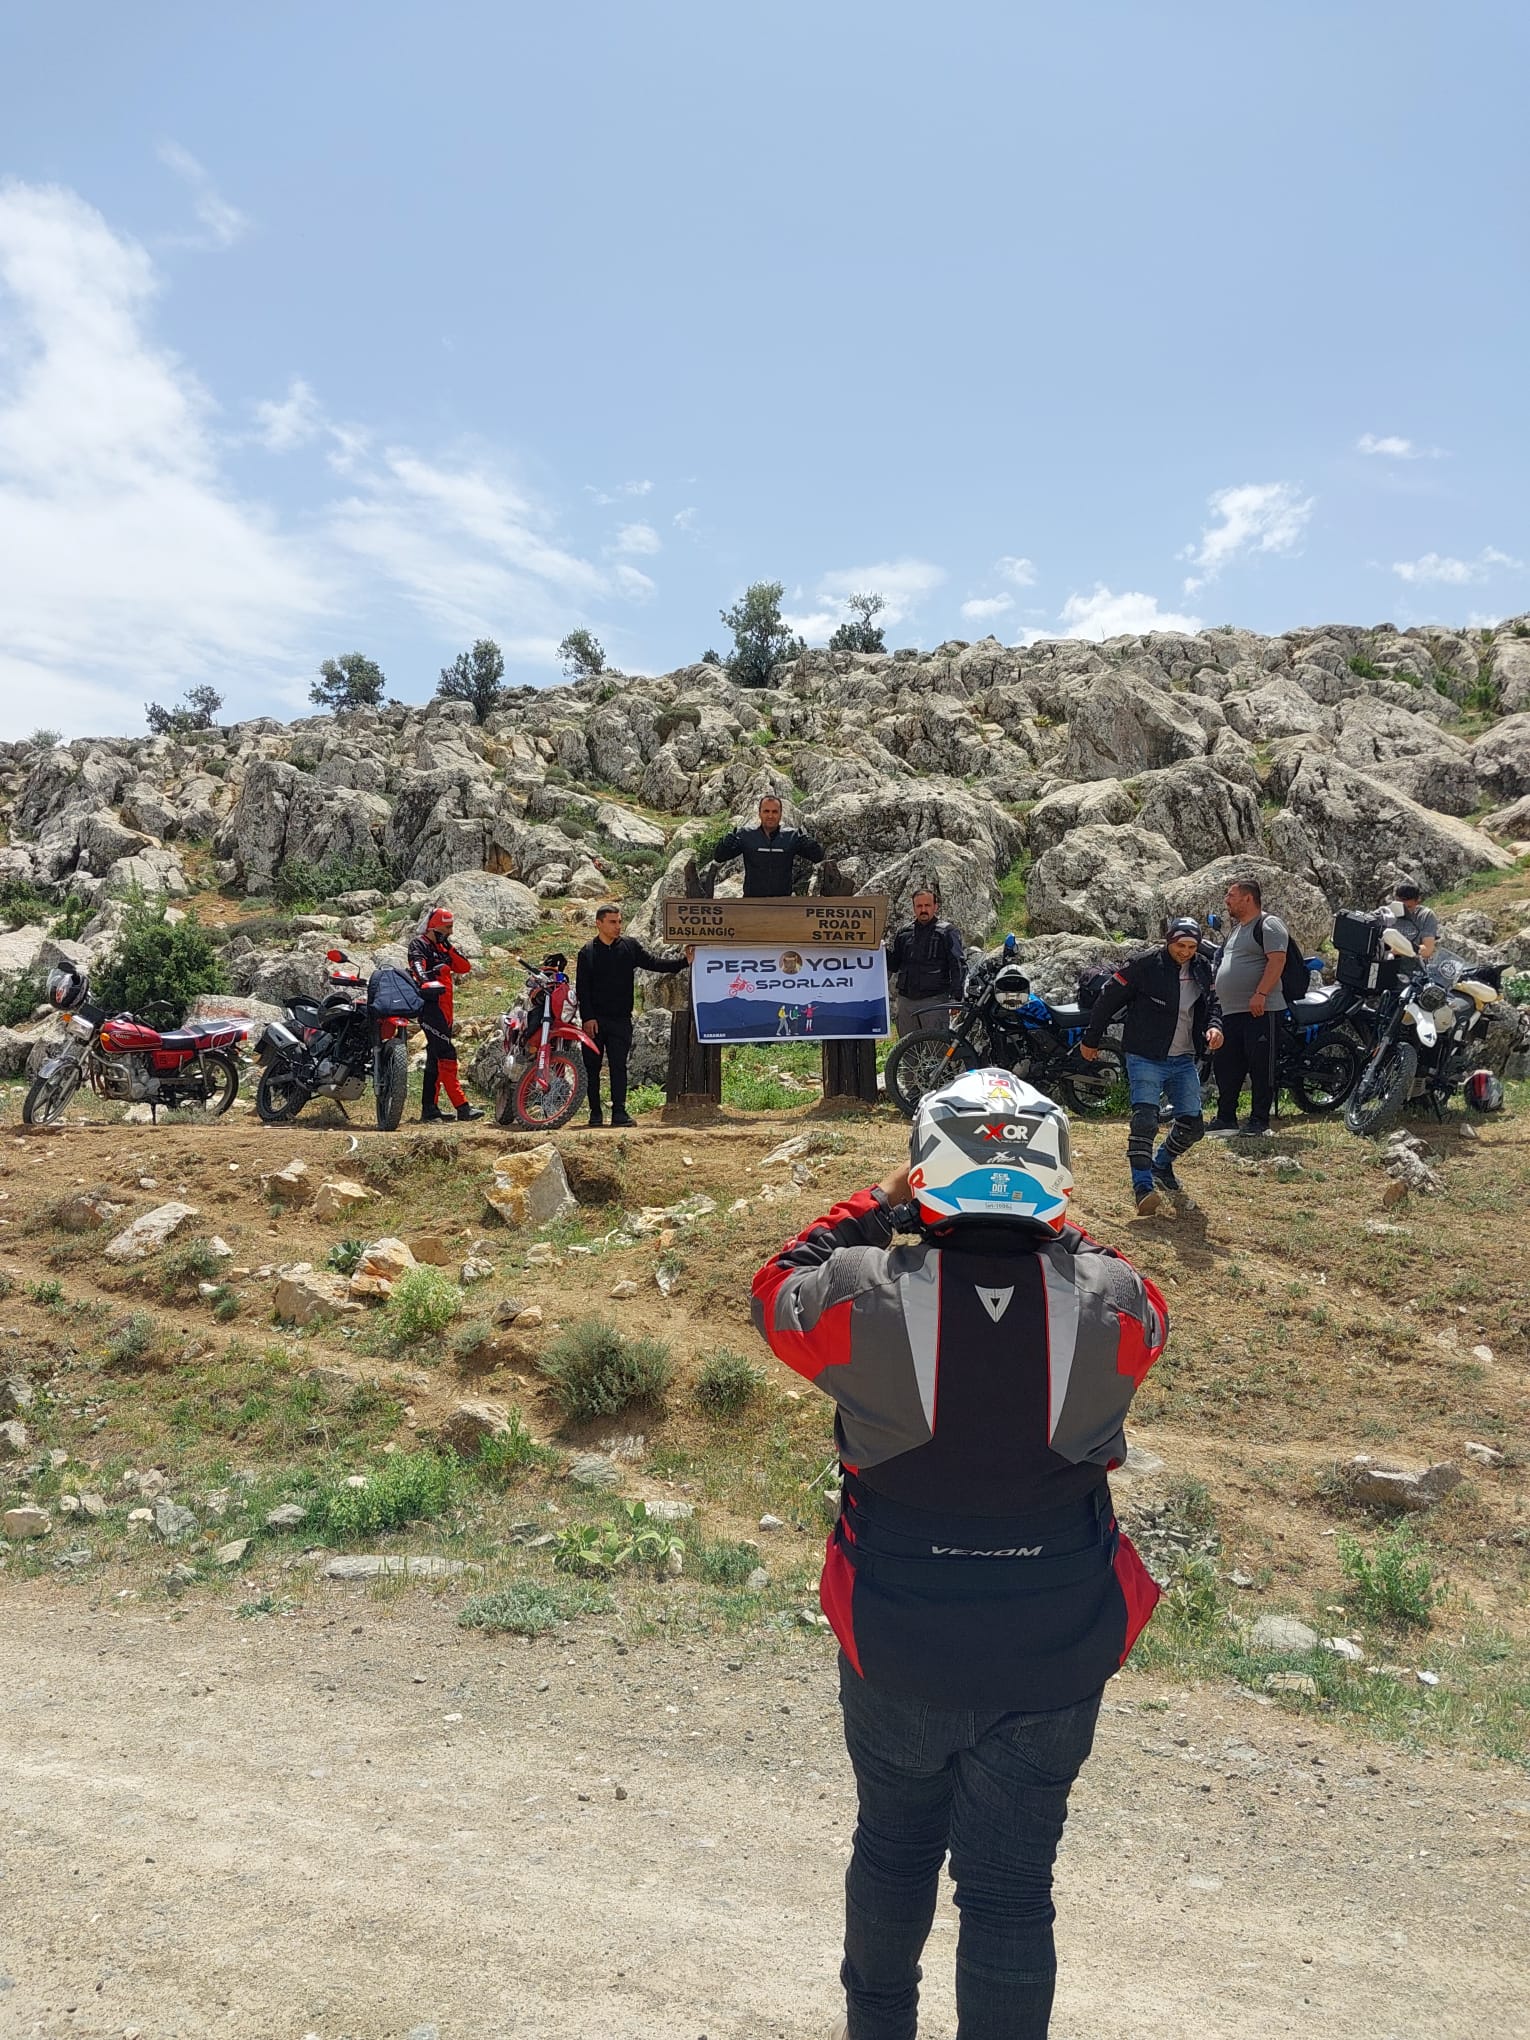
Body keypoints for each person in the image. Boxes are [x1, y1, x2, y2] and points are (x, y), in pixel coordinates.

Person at [751, 1068, 1168, 2040]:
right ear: (1054, 1180)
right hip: (1056, 1642)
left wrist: (878, 1204)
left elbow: (776, 1286)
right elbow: (1133, 1287)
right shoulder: (1113, 1302)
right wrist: (1059, 1223)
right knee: (1013, 1894)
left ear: (924, 1176)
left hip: (899, 1636)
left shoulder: (861, 1293)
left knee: (893, 1850)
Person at [1079, 916, 1223, 1215]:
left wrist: (1215, 1027)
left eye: (1192, 946)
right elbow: (1107, 998)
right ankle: (1142, 1187)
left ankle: (1161, 1164)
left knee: (1193, 1127)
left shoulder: (1202, 968)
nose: (1186, 951)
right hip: (1144, 1055)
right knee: (1145, 1119)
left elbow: (1213, 1005)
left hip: (1183, 1058)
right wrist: (1091, 1039)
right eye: (1180, 945)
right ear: (1169, 941)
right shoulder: (1144, 964)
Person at [574, 905, 688, 1127]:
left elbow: (654, 963)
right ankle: (595, 1114)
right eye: (612, 922)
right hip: (595, 1022)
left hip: (621, 1021)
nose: (618, 926)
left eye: (619, 922)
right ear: (599, 923)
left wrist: (684, 962)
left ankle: (619, 1113)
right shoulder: (586, 952)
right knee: (592, 1068)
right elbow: (582, 991)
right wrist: (588, 1018)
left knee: (619, 1066)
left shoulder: (629, 946)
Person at [1208, 877, 1287, 1137]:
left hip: (1260, 1010)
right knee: (1227, 1065)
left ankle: (1259, 1121)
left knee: (1260, 1066)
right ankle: (1226, 1118)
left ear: (1247, 898)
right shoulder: (1236, 929)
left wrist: (1261, 993)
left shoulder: (1269, 924)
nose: (1226, 900)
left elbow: (1277, 961)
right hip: (1232, 1011)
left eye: (1231, 895)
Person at [407, 907, 483, 1123]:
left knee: (435, 1058)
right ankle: (462, 1106)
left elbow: (464, 967)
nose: (450, 931)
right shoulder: (418, 944)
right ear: (434, 926)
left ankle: (429, 1109)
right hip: (431, 1009)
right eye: (447, 927)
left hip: (446, 1012)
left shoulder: (442, 947)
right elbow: (418, 970)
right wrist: (429, 979)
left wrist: (448, 947)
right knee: (447, 1056)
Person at [887, 888, 966, 1036]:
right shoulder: (904, 932)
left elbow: (958, 964)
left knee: (936, 1048)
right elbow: (894, 964)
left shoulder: (947, 931)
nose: (923, 909)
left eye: (927, 905)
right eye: (919, 906)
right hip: (906, 1002)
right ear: (913, 908)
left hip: (934, 1001)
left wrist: (957, 997)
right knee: (907, 1051)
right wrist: (879, 949)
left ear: (935, 907)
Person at [713, 794, 825, 896]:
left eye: (774, 812)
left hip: (782, 903)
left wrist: (811, 845)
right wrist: (724, 845)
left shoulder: (792, 836)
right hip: (752, 902)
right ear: (759, 813)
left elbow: (818, 857)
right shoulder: (745, 835)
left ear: (781, 814)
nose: (770, 816)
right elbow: (719, 857)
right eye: (766, 811)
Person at [1388, 881, 1439, 961]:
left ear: (1417, 901)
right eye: (1401, 906)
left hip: (1414, 966)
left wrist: (1397, 950)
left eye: (1408, 907)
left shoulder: (1425, 916)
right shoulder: (1386, 915)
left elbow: (1427, 950)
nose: (1404, 911)